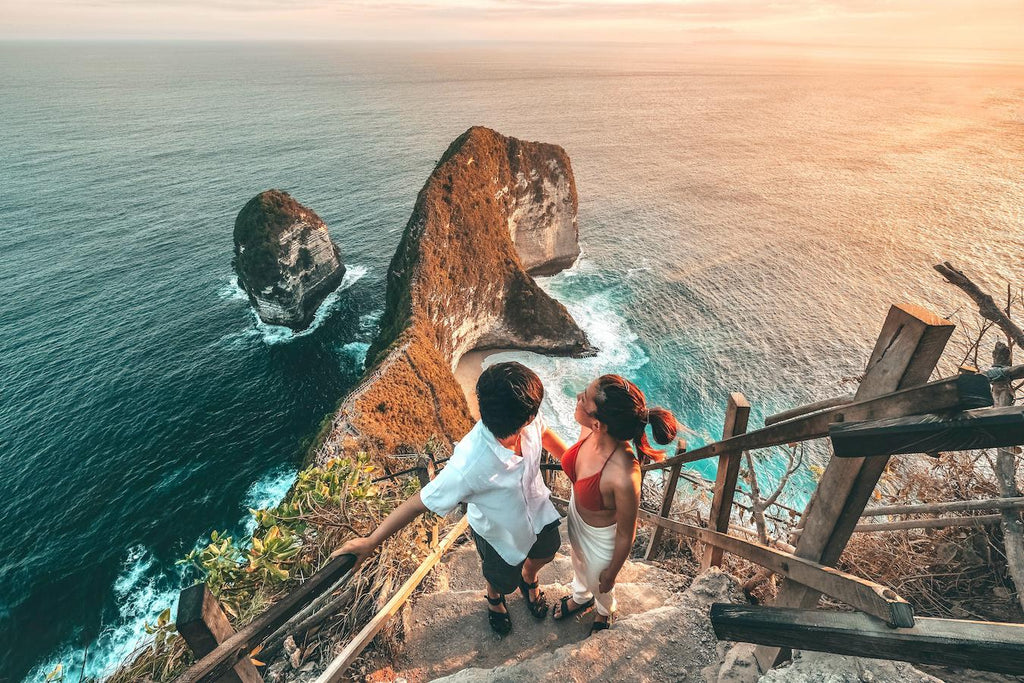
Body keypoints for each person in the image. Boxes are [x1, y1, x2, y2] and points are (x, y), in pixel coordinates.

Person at [332, 361, 568, 637]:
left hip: (539, 510)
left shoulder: (529, 421)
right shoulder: (468, 466)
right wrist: (371, 541)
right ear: (526, 417)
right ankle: (494, 598)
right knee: (502, 580)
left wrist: (577, 467)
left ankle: (529, 578)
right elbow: (418, 502)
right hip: (498, 534)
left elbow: (547, 435)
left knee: (548, 549)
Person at [550, 374, 678, 634]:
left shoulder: (624, 475)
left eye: (584, 398)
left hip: (602, 541)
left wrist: (611, 574)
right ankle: (581, 596)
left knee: (600, 583)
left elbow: (625, 533)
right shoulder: (590, 431)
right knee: (577, 562)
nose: (577, 398)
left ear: (598, 424)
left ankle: (604, 609)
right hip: (578, 518)